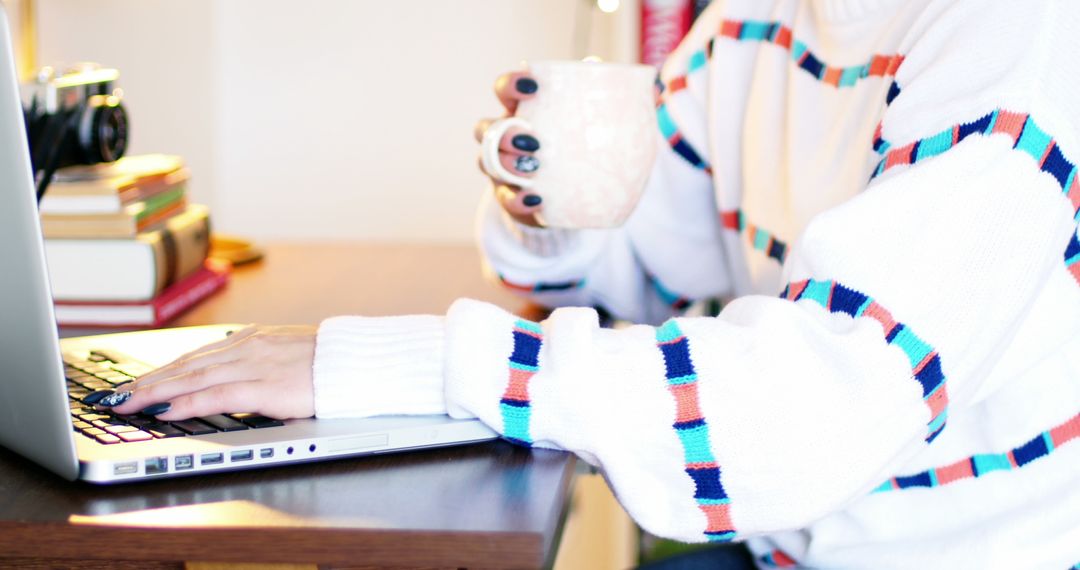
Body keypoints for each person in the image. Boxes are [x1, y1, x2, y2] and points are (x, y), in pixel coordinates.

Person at [104, 0, 1080, 567]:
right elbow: (659, 255)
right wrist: (553, 205)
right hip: (788, 548)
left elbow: (814, 409)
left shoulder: (1019, 45)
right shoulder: (764, 19)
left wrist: (401, 362)